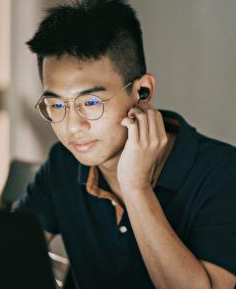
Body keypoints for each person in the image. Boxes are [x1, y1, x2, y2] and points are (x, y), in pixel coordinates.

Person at [13, 1, 236, 288]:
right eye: (56, 104)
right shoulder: (64, 163)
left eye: (91, 102)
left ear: (142, 92)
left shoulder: (224, 174)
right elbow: (3, 258)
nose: (72, 126)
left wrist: (136, 188)